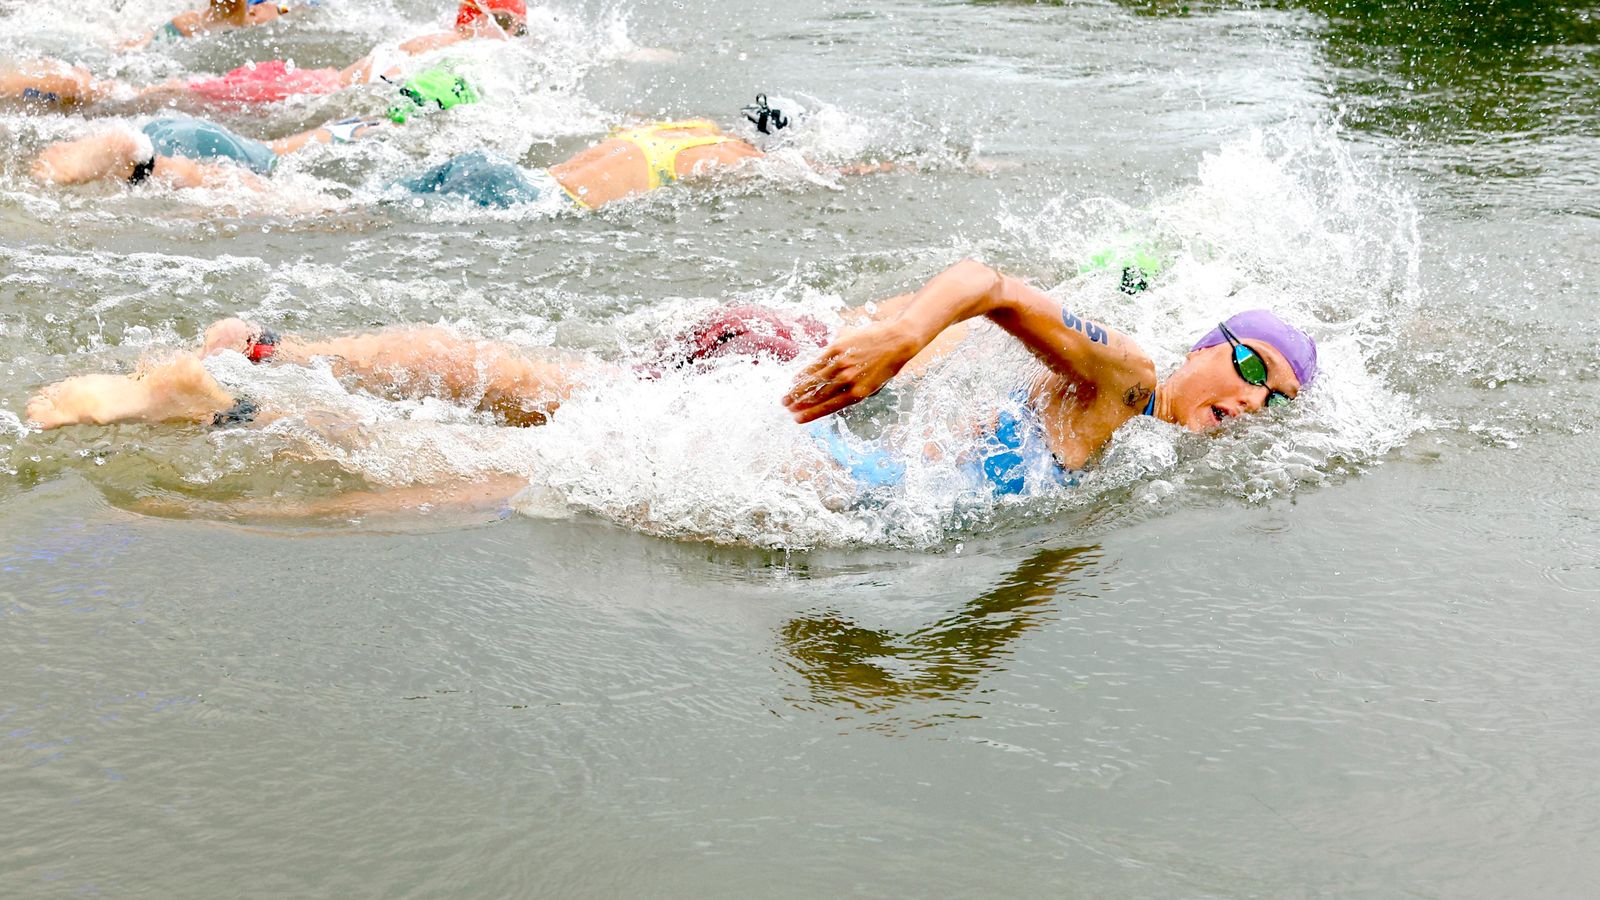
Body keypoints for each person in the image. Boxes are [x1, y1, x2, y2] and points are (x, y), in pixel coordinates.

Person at [24, 260, 1317, 507]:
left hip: (788, 384)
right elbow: (986, 281)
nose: (1251, 400)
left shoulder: (1137, 408)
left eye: (1278, 402)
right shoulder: (1125, 383)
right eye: (1251, 364)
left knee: (543, 394)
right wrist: (889, 344)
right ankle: (232, 407)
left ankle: (264, 365)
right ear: (1211, 337)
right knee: (491, 477)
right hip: (794, 415)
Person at [4, 0, 525, 109]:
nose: (513, 39)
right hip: (298, 88)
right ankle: (23, 81)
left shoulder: (453, 47)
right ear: (480, 21)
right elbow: (372, 80)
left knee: (141, 91)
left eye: (517, 29)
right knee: (127, 93)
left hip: (300, 82)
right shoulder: (450, 48)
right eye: (508, 25)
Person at [29, 67, 477, 190]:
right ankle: (142, 163)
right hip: (234, 152)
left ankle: (116, 151)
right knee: (227, 184)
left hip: (184, 125)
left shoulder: (353, 105)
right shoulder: (377, 129)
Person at [405, 94, 862, 210]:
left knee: (370, 200)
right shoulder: (739, 160)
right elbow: (803, 174)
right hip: (526, 202)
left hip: (492, 169)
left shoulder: (690, 128)